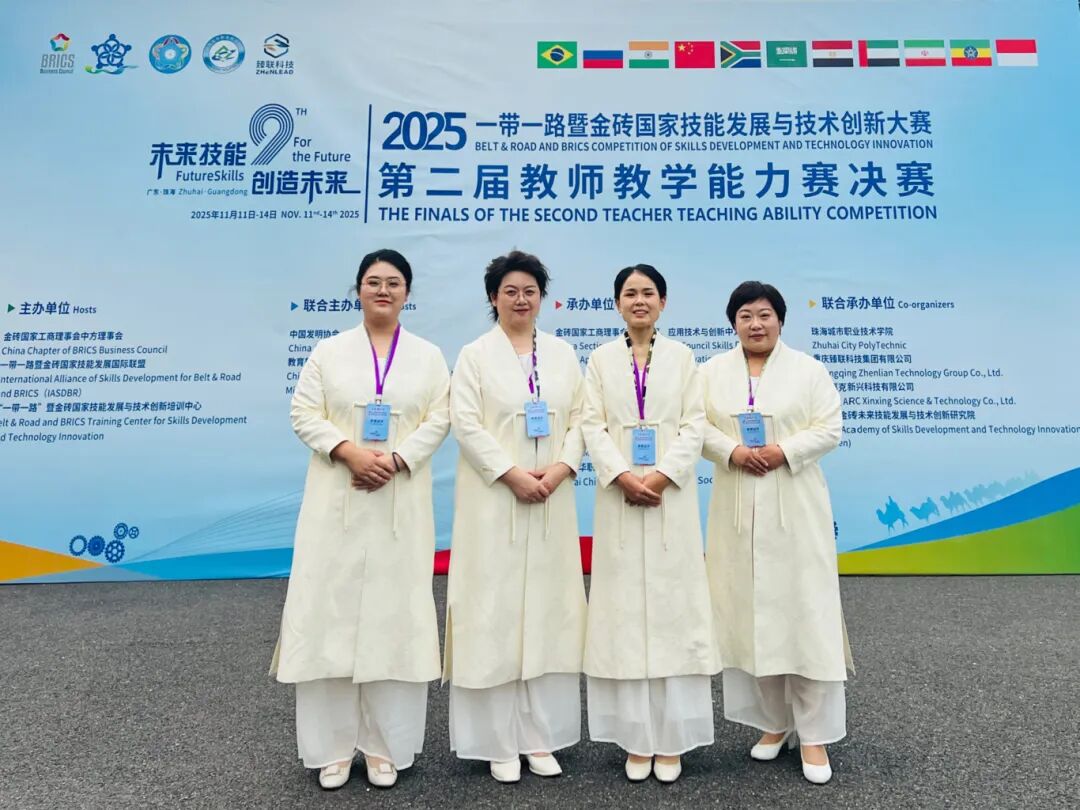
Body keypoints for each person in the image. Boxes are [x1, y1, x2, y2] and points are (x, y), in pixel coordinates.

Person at [270, 249, 451, 790]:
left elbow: (440, 417)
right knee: (330, 615)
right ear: (358, 290)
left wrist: (395, 459)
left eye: (394, 282)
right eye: (373, 282)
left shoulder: (428, 356)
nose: (383, 290)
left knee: (393, 618)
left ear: (407, 293)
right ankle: (331, 749)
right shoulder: (328, 352)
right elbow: (303, 413)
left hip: (399, 501)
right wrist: (348, 452)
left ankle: (383, 747)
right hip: (338, 500)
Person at [701, 281, 853, 785]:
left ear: (781, 320)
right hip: (737, 507)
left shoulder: (809, 370)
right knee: (751, 615)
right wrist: (733, 451)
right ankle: (774, 723)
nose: (756, 324)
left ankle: (814, 734)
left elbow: (829, 427)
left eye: (765, 314)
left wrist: (782, 451)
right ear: (733, 323)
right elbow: (694, 427)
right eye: (745, 315)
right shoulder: (711, 373)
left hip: (795, 505)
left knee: (804, 614)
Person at [443, 250, 587, 783]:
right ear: (493, 297)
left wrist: (561, 468)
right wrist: (511, 474)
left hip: (551, 496)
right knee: (493, 611)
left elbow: (583, 419)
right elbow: (466, 424)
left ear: (541, 298)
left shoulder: (563, 355)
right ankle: (497, 741)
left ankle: (540, 737)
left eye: (530, 291)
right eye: (510, 291)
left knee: (549, 612)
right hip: (495, 500)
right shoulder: (475, 355)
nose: (521, 299)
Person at [581, 264, 718, 784]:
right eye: (630, 293)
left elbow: (694, 425)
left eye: (648, 293)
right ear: (617, 303)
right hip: (618, 497)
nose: (639, 301)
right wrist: (621, 475)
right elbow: (591, 424)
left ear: (663, 302)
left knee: (673, 610)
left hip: (669, 499)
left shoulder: (683, 358)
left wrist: (660, 476)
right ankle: (637, 738)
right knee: (623, 612)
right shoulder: (600, 359)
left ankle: (673, 737)